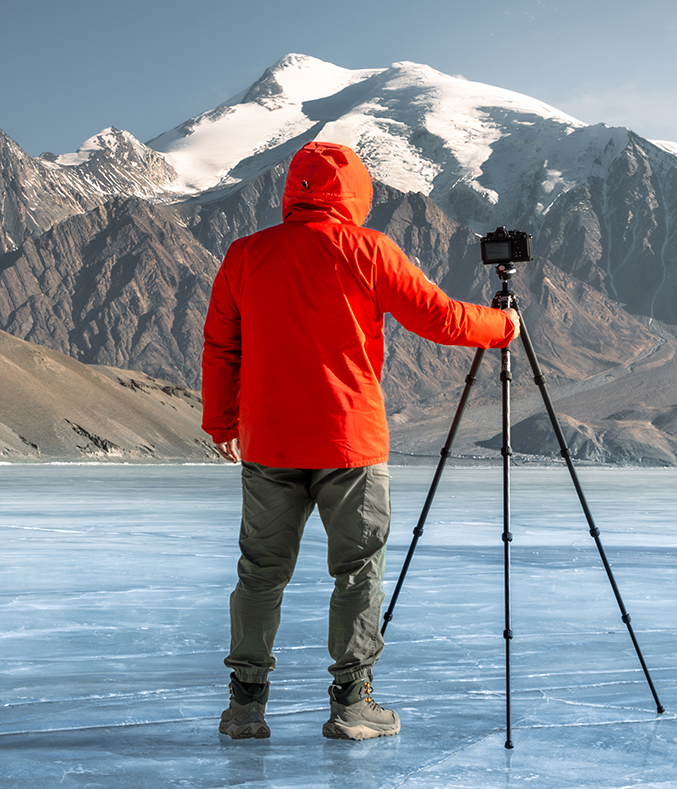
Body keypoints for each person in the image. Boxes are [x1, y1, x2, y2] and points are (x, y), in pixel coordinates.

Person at [201, 141, 519, 741]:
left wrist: (222, 422)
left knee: (261, 574)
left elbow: (222, 347)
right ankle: (351, 705)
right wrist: (503, 326)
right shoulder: (369, 250)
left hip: (269, 442)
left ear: (293, 190)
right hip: (349, 440)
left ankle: (245, 707)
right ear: (356, 191)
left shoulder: (245, 254)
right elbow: (440, 317)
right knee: (357, 572)